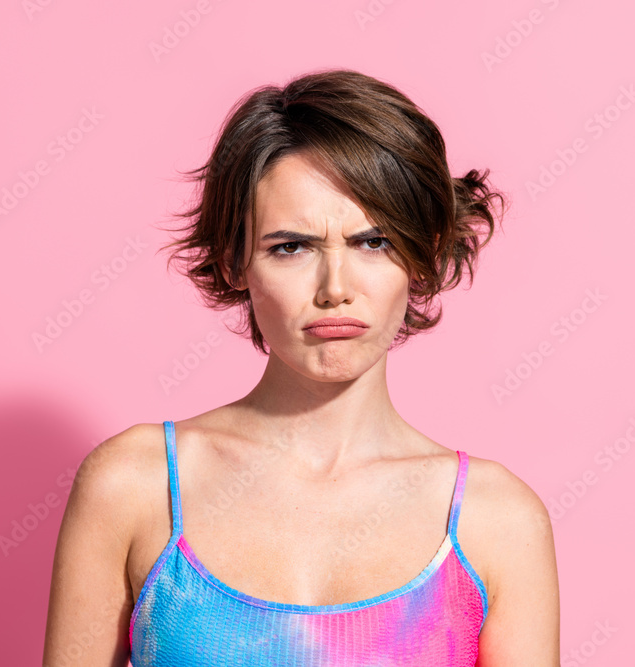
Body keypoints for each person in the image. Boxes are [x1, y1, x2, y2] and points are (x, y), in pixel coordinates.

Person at [42, 68, 560, 666]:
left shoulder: (497, 522)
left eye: (374, 242)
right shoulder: (133, 486)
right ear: (234, 260)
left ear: (423, 256)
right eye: (291, 247)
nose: (335, 288)